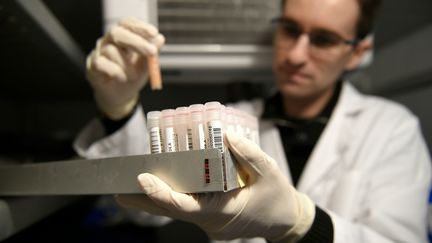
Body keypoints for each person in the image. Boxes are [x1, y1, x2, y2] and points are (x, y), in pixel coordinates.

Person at [74, 0, 432, 242]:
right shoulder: (229, 119)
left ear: (357, 53)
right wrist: (118, 105)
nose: (295, 55)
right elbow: (149, 209)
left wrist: (302, 222)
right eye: (290, 29)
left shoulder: (390, 129)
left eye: (323, 39)